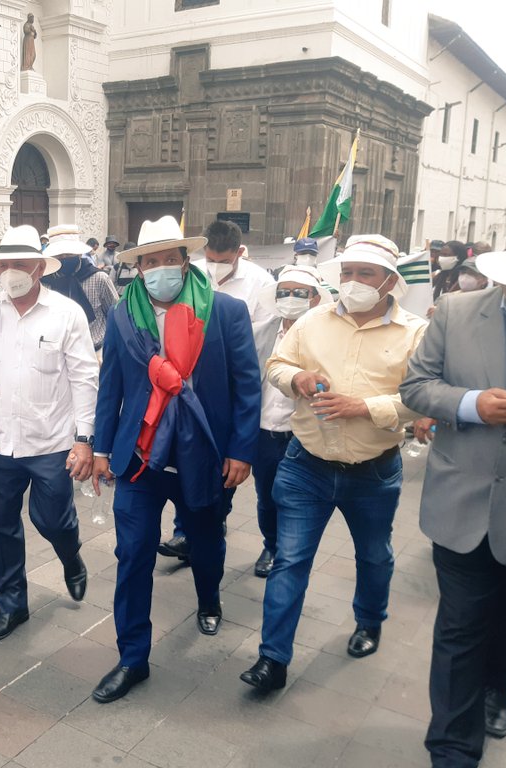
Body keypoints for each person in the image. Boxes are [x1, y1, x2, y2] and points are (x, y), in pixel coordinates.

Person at [240, 234, 427, 693]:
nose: (354, 282)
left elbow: (422, 397)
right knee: (290, 561)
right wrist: (297, 377)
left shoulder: (416, 332)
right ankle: (273, 658)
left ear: (389, 282)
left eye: (366, 274)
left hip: (373, 469)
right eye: (347, 272)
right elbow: (277, 365)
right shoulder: (312, 321)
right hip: (307, 464)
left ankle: (369, 620)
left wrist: (365, 408)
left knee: (374, 554)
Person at [91, 216, 261, 703]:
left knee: (206, 542)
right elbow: (112, 388)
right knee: (133, 555)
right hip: (141, 458)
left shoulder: (224, 312)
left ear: (186, 262)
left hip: (203, 456)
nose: (161, 269)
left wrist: (241, 450)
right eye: (151, 261)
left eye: (170, 259)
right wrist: (101, 448)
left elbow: (247, 384)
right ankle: (132, 658)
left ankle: (209, 597)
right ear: (138, 268)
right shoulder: (125, 316)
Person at [401, 218, 506, 767]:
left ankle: (499, 685)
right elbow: (416, 386)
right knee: (459, 628)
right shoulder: (455, 312)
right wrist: (471, 404)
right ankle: (452, 749)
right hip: (463, 502)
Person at [0, 225, 99, 641]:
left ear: (40, 269)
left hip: (52, 442)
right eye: (5, 264)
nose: (11, 272)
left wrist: (84, 439)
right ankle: (12, 606)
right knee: (1, 528)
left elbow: (85, 378)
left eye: (20, 265)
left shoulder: (67, 313)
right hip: (0, 443)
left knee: (52, 520)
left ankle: (71, 556)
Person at [159, 218, 275, 560]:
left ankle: (212, 523)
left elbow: (260, 345)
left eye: (223, 260)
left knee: (222, 471)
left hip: (234, 384)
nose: (215, 266)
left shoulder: (260, 284)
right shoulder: (189, 273)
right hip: (187, 384)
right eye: (210, 258)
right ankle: (185, 533)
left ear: (239, 253)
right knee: (184, 462)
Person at [250, 266, 332, 577]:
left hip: (304, 435)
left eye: (300, 293)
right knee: (267, 496)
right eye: (284, 292)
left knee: (296, 501)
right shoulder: (263, 331)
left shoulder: (325, 335)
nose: (291, 299)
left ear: (314, 298)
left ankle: (290, 553)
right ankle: (271, 545)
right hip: (265, 432)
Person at [41, 224, 120, 352]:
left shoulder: (99, 278)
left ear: (79, 254)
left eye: (69, 254)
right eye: (60, 255)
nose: (64, 258)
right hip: (57, 353)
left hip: (96, 351)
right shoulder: (44, 283)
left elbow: (115, 314)